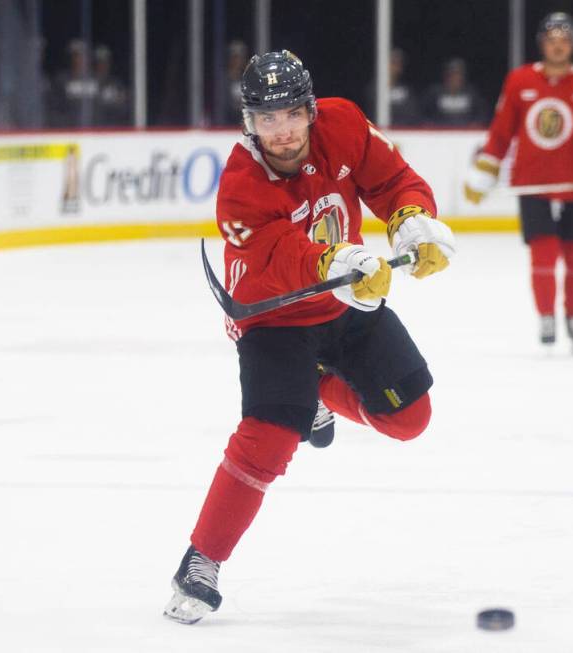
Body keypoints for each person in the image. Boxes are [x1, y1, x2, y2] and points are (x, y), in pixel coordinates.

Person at [163, 50, 455, 625]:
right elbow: (275, 258)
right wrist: (336, 258)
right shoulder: (240, 185)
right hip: (274, 318)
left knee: (410, 417)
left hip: (346, 299)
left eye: (292, 113)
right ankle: (201, 562)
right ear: (250, 123)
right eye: (268, 119)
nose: (283, 131)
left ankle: (320, 392)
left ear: (310, 108)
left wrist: (412, 219)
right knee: (268, 441)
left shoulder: (343, 124)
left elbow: (392, 178)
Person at [463, 12, 573, 353]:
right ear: (542, 43)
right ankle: (547, 317)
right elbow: (502, 131)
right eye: (552, 39)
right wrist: (486, 169)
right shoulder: (521, 81)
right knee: (544, 254)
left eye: (564, 39)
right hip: (532, 183)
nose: (558, 45)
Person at [423, 57, 487, 126]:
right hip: (440, 134)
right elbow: (422, 113)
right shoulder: (435, 92)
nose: (455, 78)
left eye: (458, 74)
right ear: (446, 75)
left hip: (465, 134)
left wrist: (476, 123)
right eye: (452, 74)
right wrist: (429, 124)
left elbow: (482, 113)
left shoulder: (471, 93)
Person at [365, 48, 421, 126]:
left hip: (402, 132)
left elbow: (412, 114)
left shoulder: (406, 90)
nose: (397, 68)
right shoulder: (374, 89)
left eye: (399, 64)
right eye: (393, 63)